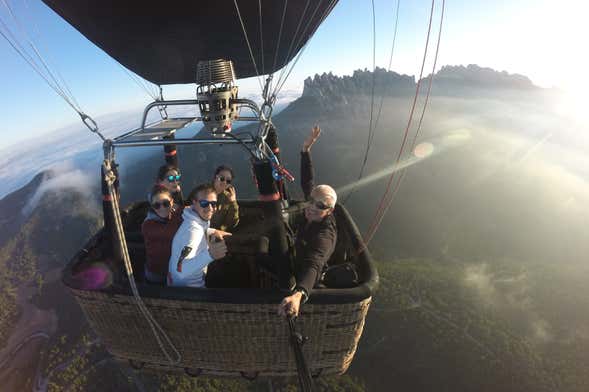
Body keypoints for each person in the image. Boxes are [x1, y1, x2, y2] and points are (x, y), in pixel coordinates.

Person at [278, 126, 338, 318]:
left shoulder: (325, 235)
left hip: (303, 274)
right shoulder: (315, 208)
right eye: (311, 201)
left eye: (320, 205)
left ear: (330, 211)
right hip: (297, 255)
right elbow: (308, 182)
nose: (312, 206)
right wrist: (305, 150)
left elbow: (315, 262)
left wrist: (298, 294)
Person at [167, 183, 231, 288]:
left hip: (181, 283)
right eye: (204, 203)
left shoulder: (197, 218)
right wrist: (210, 255)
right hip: (188, 292)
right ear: (194, 203)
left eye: (213, 203)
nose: (210, 208)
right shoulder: (192, 231)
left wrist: (211, 231)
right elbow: (180, 271)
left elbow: (201, 228)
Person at [141, 186, 183, 284]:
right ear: (152, 207)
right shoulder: (148, 225)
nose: (162, 208)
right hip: (157, 276)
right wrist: (181, 210)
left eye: (166, 203)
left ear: (172, 202)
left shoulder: (174, 216)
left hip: (174, 273)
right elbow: (169, 232)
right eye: (157, 205)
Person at [210, 165, 239, 232]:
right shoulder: (202, 192)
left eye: (228, 181)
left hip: (217, 235)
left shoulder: (228, 197)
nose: (224, 182)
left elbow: (232, 223)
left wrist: (233, 203)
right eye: (222, 178)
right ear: (215, 177)